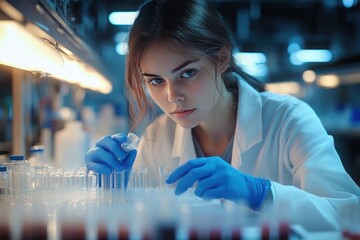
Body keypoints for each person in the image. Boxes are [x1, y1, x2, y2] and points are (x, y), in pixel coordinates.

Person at [85, 0, 360, 231]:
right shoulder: (158, 137)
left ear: (221, 58)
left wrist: (261, 193)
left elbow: (351, 217)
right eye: (156, 81)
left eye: (187, 73)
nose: (172, 96)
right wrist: (115, 191)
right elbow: (144, 225)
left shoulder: (288, 119)